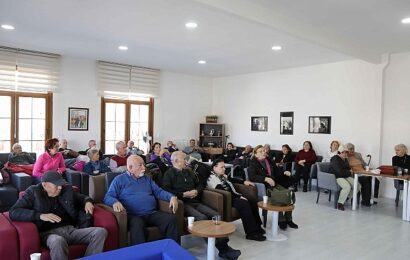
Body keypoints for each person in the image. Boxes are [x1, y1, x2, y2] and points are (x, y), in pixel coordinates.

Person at [9, 171, 107, 259]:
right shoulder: (33, 192)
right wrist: (40, 215)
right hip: (49, 234)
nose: (60, 188)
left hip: (71, 230)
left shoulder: (66, 190)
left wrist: (88, 202)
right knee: (58, 241)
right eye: (56, 185)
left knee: (100, 232)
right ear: (44, 185)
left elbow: (82, 198)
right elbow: (14, 211)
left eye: (61, 184)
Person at [162, 151, 241, 260]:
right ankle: (222, 249)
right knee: (202, 218)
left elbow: (200, 185)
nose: (186, 161)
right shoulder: (168, 174)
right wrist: (183, 194)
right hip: (183, 203)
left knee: (216, 215)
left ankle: (224, 247)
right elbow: (166, 191)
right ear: (176, 161)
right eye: (184, 159)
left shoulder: (189, 171)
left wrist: (196, 191)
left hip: (196, 201)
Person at [104, 155, 179, 245]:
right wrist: (114, 202)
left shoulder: (147, 179)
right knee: (137, 225)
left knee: (171, 220)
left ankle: (172, 251)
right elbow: (108, 196)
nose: (144, 168)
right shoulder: (119, 180)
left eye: (144, 164)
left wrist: (171, 197)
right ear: (130, 167)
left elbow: (159, 192)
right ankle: (142, 255)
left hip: (151, 213)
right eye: (140, 165)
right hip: (133, 215)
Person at [207, 158, 266, 241]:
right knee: (243, 203)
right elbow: (223, 191)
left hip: (233, 195)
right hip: (225, 198)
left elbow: (232, 179)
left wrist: (243, 182)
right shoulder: (212, 178)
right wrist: (239, 197)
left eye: (224, 167)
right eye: (222, 167)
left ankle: (257, 226)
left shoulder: (222, 176)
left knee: (252, 200)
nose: (224, 169)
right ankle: (251, 233)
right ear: (214, 168)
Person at [247, 145, 298, 230]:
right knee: (280, 196)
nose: (263, 152)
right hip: (264, 187)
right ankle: (281, 220)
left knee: (290, 194)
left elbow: (277, 171)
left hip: (275, 184)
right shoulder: (253, 163)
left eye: (264, 150)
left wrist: (284, 172)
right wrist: (265, 178)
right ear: (255, 154)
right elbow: (252, 176)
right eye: (260, 151)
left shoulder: (269, 160)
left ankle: (288, 219)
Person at [329, 145, 361, 211]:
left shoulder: (345, 159)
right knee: (347, 187)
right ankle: (340, 203)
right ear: (339, 152)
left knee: (357, 185)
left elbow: (348, 169)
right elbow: (339, 171)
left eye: (346, 152)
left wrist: (349, 171)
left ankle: (347, 197)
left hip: (345, 175)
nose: (345, 154)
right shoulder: (335, 158)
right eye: (343, 152)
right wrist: (349, 172)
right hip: (336, 176)